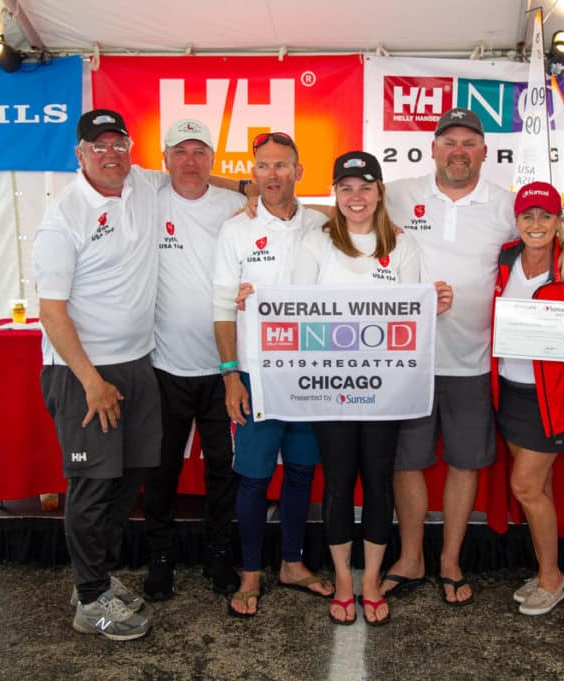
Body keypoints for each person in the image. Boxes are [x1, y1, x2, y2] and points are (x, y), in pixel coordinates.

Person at [379, 107, 564, 605]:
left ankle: (450, 560)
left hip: (474, 361)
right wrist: (250, 196)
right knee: (406, 464)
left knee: (465, 463)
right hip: (410, 359)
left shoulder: (504, 203)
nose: (459, 151)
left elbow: (545, 227)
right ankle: (411, 558)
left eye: (469, 143)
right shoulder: (399, 194)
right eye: (449, 142)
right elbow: (344, 210)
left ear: (484, 152)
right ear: (433, 149)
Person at [291, 151, 453, 626]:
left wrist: (433, 306)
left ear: (380, 192)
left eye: (365, 187)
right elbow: (298, 311)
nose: (356, 197)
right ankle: (345, 580)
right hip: (331, 389)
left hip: (385, 390)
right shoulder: (317, 242)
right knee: (339, 482)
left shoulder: (402, 245)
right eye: (346, 188)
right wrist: (259, 303)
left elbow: (412, 320)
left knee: (379, 483)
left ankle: (371, 581)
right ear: (335, 194)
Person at [34, 109, 164, 641]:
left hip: (136, 363)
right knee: (93, 485)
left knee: (129, 478)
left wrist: (247, 188)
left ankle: (95, 580)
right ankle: (91, 603)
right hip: (83, 372)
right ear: (80, 154)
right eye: (98, 146)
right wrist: (91, 381)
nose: (111, 154)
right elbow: (51, 312)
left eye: (118, 144)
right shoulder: (64, 217)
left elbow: (193, 174)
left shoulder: (142, 185)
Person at [212, 131, 334, 617]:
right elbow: (222, 310)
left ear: (298, 171)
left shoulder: (321, 225)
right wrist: (230, 376)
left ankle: (292, 563)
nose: (272, 174)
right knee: (254, 477)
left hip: (307, 372)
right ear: (253, 173)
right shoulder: (235, 229)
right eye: (263, 165)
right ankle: (250, 573)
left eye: (282, 165)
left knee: (301, 470)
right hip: (255, 374)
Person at [490, 181, 564, 616]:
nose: (536, 224)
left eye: (546, 215)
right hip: (511, 392)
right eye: (528, 216)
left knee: (525, 486)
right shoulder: (503, 261)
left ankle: (552, 578)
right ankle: (546, 570)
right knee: (539, 488)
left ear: (559, 221)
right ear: (517, 221)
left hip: (554, 398)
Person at [141, 118, 247, 601]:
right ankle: (159, 556)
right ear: (164, 159)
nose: (189, 161)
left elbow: (286, 212)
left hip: (225, 369)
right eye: (180, 152)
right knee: (161, 469)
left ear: (212, 159)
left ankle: (219, 552)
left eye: (199, 152)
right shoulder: (148, 196)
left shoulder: (232, 205)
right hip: (166, 367)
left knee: (223, 469)